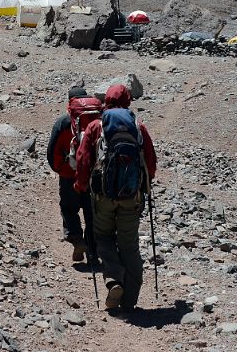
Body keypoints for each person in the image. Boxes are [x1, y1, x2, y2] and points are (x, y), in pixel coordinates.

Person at [73, 83, 157, 313]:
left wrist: (81, 185)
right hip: (131, 196)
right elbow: (150, 163)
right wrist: (143, 189)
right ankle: (130, 300)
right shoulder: (138, 128)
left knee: (104, 238)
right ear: (128, 101)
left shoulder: (95, 127)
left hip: (103, 197)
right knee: (129, 245)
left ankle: (113, 281)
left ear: (105, 102)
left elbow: (83, 160)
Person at [46, 86, 100, 263]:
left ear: (70, 102)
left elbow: (51, 152)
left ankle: (77, 239)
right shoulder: (98, 120)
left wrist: (62, 170)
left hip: (70, 176)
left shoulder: (63, 122)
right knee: (92, 215)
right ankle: (93, 253)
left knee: (69, 209)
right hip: (93, 176)